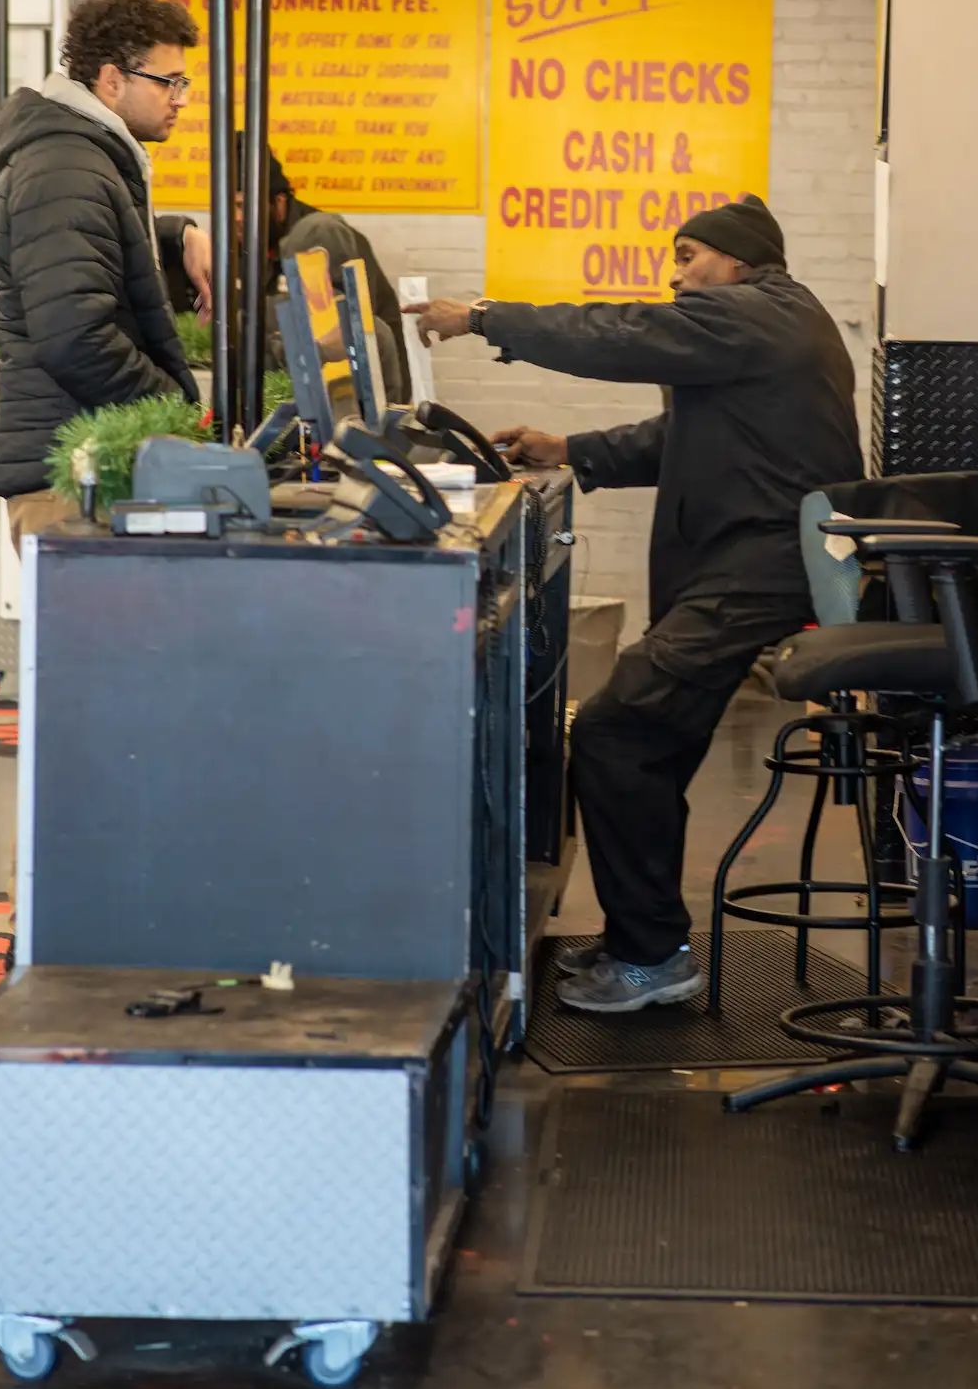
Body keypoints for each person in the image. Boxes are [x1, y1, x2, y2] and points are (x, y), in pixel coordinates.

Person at [412, 195, 863, 1013]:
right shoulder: (769, 323)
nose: (677, 275)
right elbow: (685, 437)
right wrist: (570, 449)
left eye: (690, 256)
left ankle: (652, 958)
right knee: (650, 744)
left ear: (738, 260)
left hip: (759, 569)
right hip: (751, 562)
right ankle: (642, 942)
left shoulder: (749, 315)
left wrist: (483, 316)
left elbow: (617, 332)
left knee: (618, 732)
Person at [0, 0, 205, 553]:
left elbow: (97, 249)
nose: (180, 99)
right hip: (72, 480)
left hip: (90, 463)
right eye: (169, 82)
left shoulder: (81, 159)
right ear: (112, 79)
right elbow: (76, 337)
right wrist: (174, 409)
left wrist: (178, 236)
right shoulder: (65, 167)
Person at [192, 140, 410, 405]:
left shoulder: (322, 240)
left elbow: (338, 331)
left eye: (242, 206)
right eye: (228, 207)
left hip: (369, 395)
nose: (235, 218)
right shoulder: (250, 241)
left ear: (279, 202)